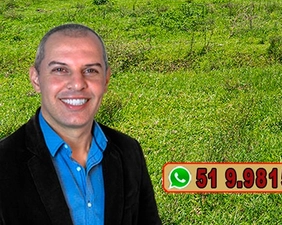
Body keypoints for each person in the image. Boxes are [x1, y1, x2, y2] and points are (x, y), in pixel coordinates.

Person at [0, 24, 161, 225]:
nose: (77, 84)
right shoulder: (4, 162)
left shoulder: (129, 151)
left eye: (90, 70)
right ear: (36, 79)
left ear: (106, 79)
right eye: (60, 70)